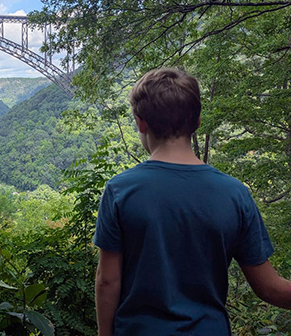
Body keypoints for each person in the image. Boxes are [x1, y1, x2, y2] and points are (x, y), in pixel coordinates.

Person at [93, 68, 291, 336]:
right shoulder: (234, 194)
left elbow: (107, 281)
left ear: (141, 123)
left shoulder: (120, 190)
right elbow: (269, 288)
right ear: (197, 121)